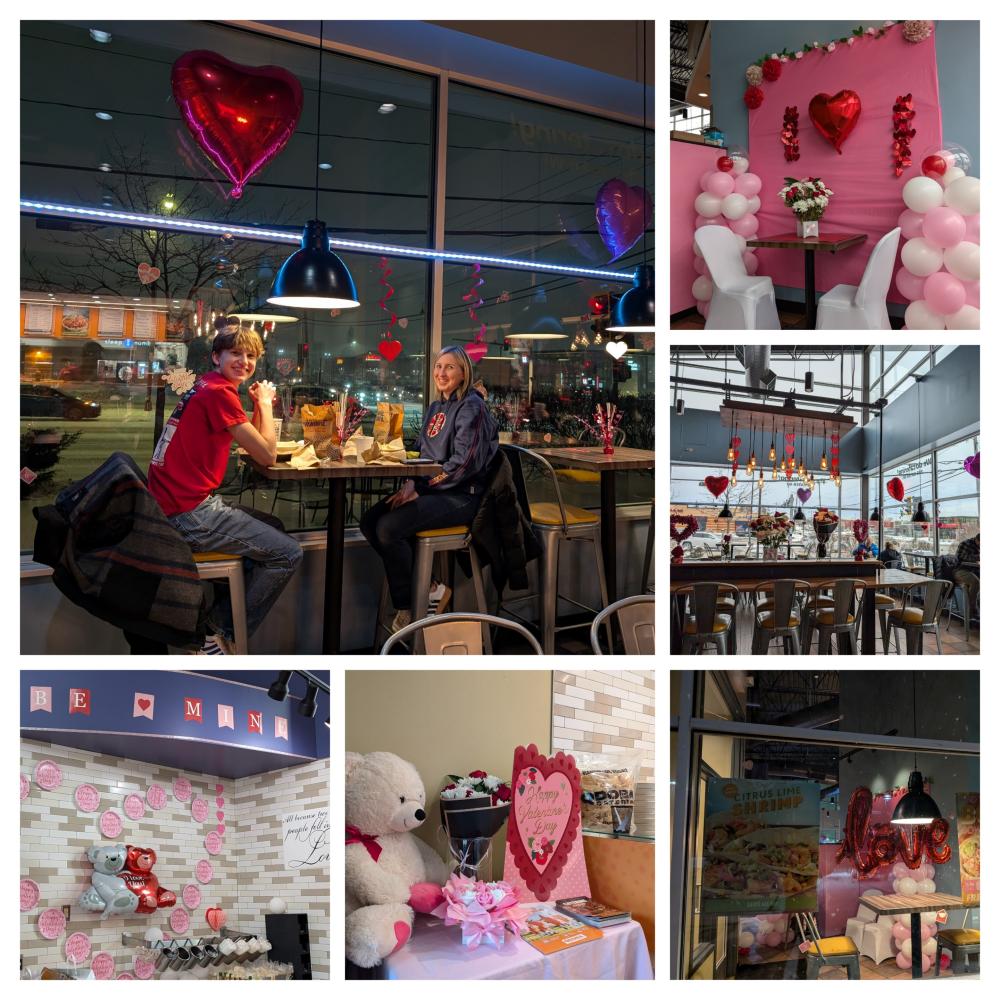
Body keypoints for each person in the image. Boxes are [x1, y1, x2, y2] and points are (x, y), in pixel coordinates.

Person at [147, 317, 302, 653]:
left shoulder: (206, 385)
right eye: (236, 353)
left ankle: (217, 623)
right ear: (216, 356)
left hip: (170, 505)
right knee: (288, 553)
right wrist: (263, 403)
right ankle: (216, 632)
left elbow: (256, 447)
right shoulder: (219, 394)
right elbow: (268, 455)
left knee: (273, 527)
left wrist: (259, 407)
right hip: (189, 513)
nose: (244, 362)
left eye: (251, 356)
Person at [360, 346, 498, 633]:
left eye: (449, 367)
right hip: (433, 491)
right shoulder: (436, 407)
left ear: (463, 373)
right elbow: (422, 452)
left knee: (388, 528)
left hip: (463, 496)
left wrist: (422, 490)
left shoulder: (472, 406)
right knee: (371, 520)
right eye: (438, 366)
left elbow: (464, 466)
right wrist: (410, 482)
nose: (441, 373)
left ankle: (409, 606)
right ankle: (432, 589)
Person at [954, 532, 980, 625]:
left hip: (974, 570)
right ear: (977, 540)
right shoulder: (965, 544)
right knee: (976, 582)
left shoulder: (978, 545)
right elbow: (962, 557)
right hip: (960, 570)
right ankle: (972, 610)